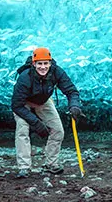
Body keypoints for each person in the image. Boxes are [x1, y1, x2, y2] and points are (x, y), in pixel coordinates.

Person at [12, 47, 83, 178]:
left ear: (50, 63)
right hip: (24, 103)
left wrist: (74, 106)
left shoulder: (57, 72)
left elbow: (71, 91)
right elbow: (16, 105)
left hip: (44, 101)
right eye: (40, 63)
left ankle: (51, 164)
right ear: (34, 64)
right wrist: (36, 124)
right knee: (23, 130)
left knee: (58, 130)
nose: (43, 67)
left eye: (46, 63)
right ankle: (24, 167)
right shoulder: (24, 77)